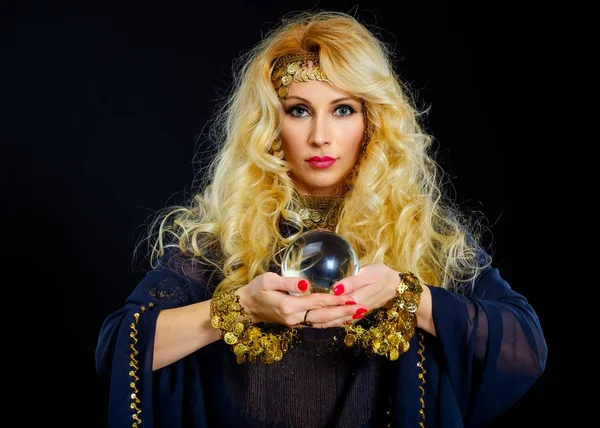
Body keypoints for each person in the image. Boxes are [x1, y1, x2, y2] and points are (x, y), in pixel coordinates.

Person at [95, 10, 547, 428]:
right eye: (299, 110)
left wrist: (407, 295)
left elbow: (524, 348)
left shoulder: (423, 235)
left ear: (372, 121)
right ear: (271, 124)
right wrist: (240, 309)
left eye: (343, 109)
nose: (320, 136)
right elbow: (120, 348)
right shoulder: (227, 238)